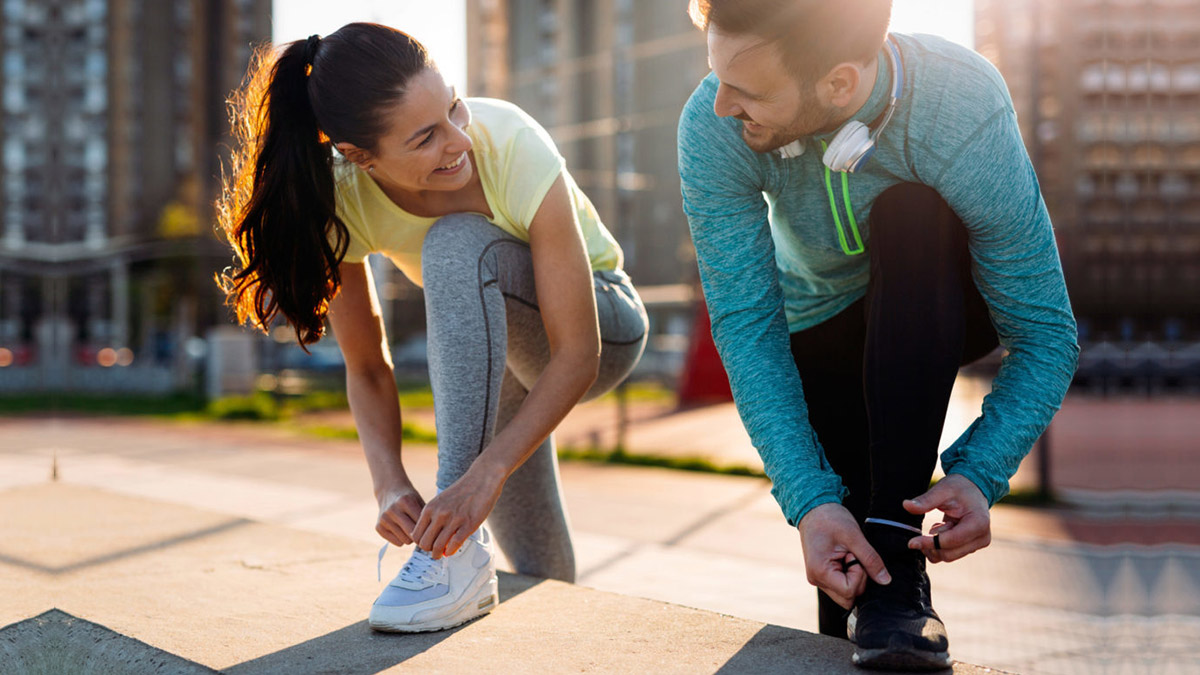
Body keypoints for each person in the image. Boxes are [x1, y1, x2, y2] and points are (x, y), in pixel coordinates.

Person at [678, 1, 1078, 670]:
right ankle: (885, 592)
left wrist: (979, 471)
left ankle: (898, 551)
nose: (721, 105)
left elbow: (1046, 333)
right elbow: (748, 326)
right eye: (718, 76)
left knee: (911, 210)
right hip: (820, 327)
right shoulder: (711, 126)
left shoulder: (959, 103)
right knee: (849, 590)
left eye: (746, 90)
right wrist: (810, 501)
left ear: (838, 83)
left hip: (940, 303)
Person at [216, 23, 647, 633]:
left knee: (454, 243)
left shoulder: (510, 141)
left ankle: (448, 558)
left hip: (604, 325)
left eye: (452, 107)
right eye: (425, 137)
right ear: (359, 157)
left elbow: (579, 353)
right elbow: (367, 365)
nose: (458, 140)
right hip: (499, 353)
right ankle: (534, 625)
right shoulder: (343, 200)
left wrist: (483, 475)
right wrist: (388, 484)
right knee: (539, 566)